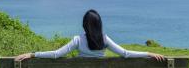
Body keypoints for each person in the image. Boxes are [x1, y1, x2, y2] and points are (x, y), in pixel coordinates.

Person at [15, 9, 164, 61]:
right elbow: (125, 53)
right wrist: (148, 53)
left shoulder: (78, 40)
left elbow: (56, 54)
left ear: (84, 25)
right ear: (99, 24)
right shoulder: (105, 39)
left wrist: (33, 54)